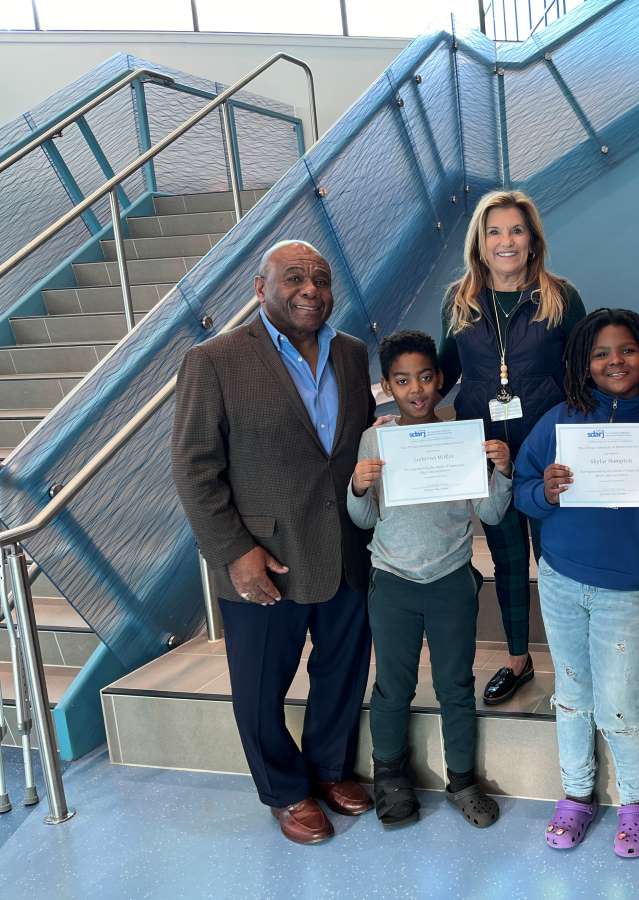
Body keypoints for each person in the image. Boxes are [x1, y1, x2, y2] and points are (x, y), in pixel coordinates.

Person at [171, 240, 375, 845]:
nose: (311, 289)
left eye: (321, 278)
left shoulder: (353, 354)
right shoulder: (215, 360)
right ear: (261, 288)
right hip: (265, 559)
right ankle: (285, 790)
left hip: (345, 548)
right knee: (260, 688)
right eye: (293, 278)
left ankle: (330, 769)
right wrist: (234, 552)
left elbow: (353, 445)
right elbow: (193, 467)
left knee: (342, 669)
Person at [513, 308, 639, 859]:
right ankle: (577, 794)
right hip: (561, 580)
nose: (615, 361)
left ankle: (636, 800)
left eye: (628, 350)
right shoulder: (557, 423)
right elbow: (523, 494)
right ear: (583, 363)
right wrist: (548, 491)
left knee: (617, 698)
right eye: (601, 353)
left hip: (625, 590)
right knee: (571, 692)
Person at [347, 330, 511, 829]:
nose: (415, 389)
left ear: (439, 380)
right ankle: (390, 777)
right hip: (393, 580)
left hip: (450, 579)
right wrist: (358, 487)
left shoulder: (463, 435)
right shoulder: (376, 438)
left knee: (455, 684)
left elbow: (492, 513)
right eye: (402, 380)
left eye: (424, 377)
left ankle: (462, 780)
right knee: (392, 686)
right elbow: (364, 520)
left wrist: (501, 471)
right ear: (387, 386)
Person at [439, 190, 586, 705]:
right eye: (494, 231)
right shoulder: (457, 301)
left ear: (532, 240)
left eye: (516, 231)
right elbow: (442, 373)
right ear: (479, 243)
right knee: (506, 559)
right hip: (488, 458)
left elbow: (583, 372)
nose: (506, 241)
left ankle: (571, 662)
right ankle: (518, 659)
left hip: (548, 454)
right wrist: (404, 415)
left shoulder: (560, 297)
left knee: (557, 558)